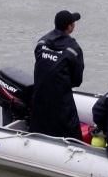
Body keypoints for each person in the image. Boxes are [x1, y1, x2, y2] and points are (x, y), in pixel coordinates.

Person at [29, 9, 84, 139]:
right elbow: (77, 81)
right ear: (70, 27)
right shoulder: (74, 50)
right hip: (61, 100)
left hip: (39, 97)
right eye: (73, 23)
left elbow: (42, 67)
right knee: (72, 133)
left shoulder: (41, 43)